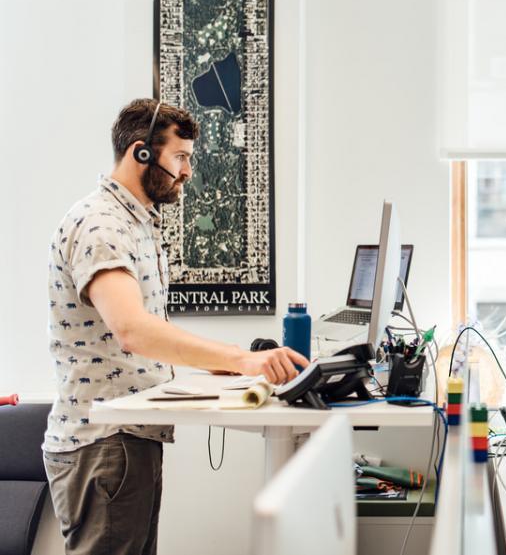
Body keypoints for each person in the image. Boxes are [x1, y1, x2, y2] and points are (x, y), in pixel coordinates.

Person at [42, 98, 309, 555]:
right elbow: (133, 330)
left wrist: (218, 368)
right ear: (141, 154)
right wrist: (243, 358)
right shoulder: (101, 224)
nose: (187, 172)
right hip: (105, 443)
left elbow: (136, 342)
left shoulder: (135, 222)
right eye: (180, 158)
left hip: (126, 439)